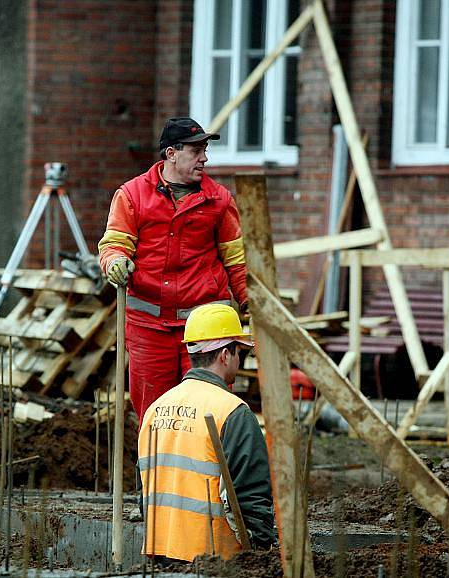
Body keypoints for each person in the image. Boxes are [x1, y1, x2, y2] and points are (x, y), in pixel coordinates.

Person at [98, 117, 248, 421]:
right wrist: (115, 262)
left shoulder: (219, 200)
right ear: (171, 154)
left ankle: (209, 469)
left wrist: (249, 303)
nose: (204, 158)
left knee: (209, 413)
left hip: (206, 327)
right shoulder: (132, 195)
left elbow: (236, 259)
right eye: (196, 151)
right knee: (155, 417)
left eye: (204, 150)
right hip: (149, 328)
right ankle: (154, 470)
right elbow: (114, 243)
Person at [138, 303, 276, 561]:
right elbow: (251, 494)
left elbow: (143, 489)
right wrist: (260, 554)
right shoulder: (233, 412)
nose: (239, 360)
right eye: (239, 353)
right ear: (225, 355)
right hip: (213, 559)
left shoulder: (155, 409)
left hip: (160, 554)